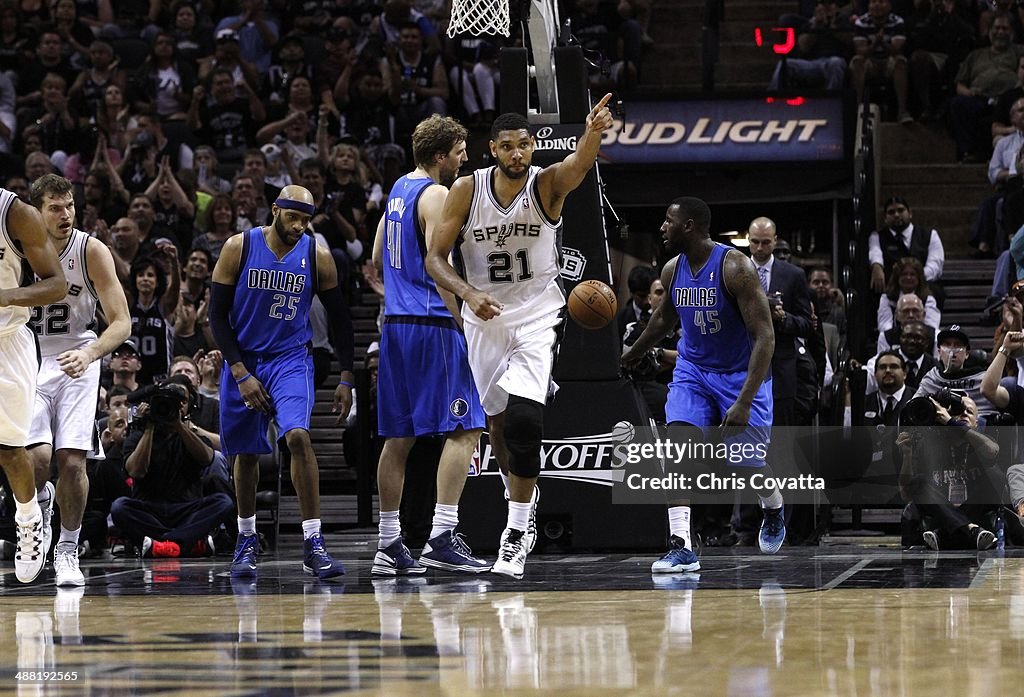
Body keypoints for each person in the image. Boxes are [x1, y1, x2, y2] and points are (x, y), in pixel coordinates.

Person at [425, 95, 615, 578]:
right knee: (499, 431)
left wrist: (592, 132)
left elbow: (576, 165)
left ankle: (515, 534)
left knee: (527, 422)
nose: (517, 155)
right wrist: (467, 294)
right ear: (492, 149)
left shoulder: (545, 185)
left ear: (532, 148)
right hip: (484, 317)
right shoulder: (466, 191)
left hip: (537, 313)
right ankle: (521, 496)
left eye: (525, 146)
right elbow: (435, 258)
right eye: (507, 147)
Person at [621, 197, 780, 573]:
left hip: (740, 376)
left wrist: (743, 402)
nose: (662, 228)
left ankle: (772, 506)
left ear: (689, 226)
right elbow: (662, 320)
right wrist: (629, 355)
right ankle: (682, 546)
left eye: (668, 221)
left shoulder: (736, 268)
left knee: (745, 463)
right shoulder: (672, 269)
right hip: (693, 371)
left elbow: (765, 338)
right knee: (677, 450)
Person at [209, 184, 355, 580]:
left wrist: (346, 375)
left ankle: (313, 541)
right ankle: (245, 538)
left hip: (291, 358)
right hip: (245, 360)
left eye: (306, 220)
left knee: (298, 437)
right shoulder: (238, 247)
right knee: (246, 453)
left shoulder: (317, 255)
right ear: (274, 210)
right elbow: (217, 317)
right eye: (293, 217)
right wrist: (239, 373)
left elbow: (340, 319)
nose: (299, 226)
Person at [369, 114, 489, 576]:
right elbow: (438, 265)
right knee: (465, 428)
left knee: (399, 438)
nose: (464, 159)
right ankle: (441, 535)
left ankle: (388, 544)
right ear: (440, 155)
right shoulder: (436, 194)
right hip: (431, 324)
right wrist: (461, 321)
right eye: (459, 152)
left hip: (395, 325)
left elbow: (378, 257)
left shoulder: (398, 190)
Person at [25, 174, 130, 587]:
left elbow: (121, 322)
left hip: (78, 356)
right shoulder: (16, 251)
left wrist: (89, 353)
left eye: (69, 205)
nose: (65, 214)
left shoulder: (91, 250)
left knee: (71, 461)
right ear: (36, 212)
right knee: (34, 461)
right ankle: (42, 504)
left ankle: (67, 549)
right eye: (55, 207)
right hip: (28, 357)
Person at [0, 186, 67, 583]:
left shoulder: (15, 212)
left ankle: (29, 517)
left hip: (7, 343)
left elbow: (56, 284)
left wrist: (7, 296)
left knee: (9, 451)